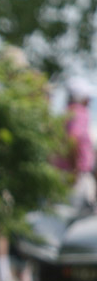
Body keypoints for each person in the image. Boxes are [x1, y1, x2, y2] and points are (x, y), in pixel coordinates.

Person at [55, 77, 96, 210]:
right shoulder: (79, 112)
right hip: (75, 174)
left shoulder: (66, 112)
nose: (89, 101)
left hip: (65, 172)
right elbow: (73, 140)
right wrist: (74, 171)